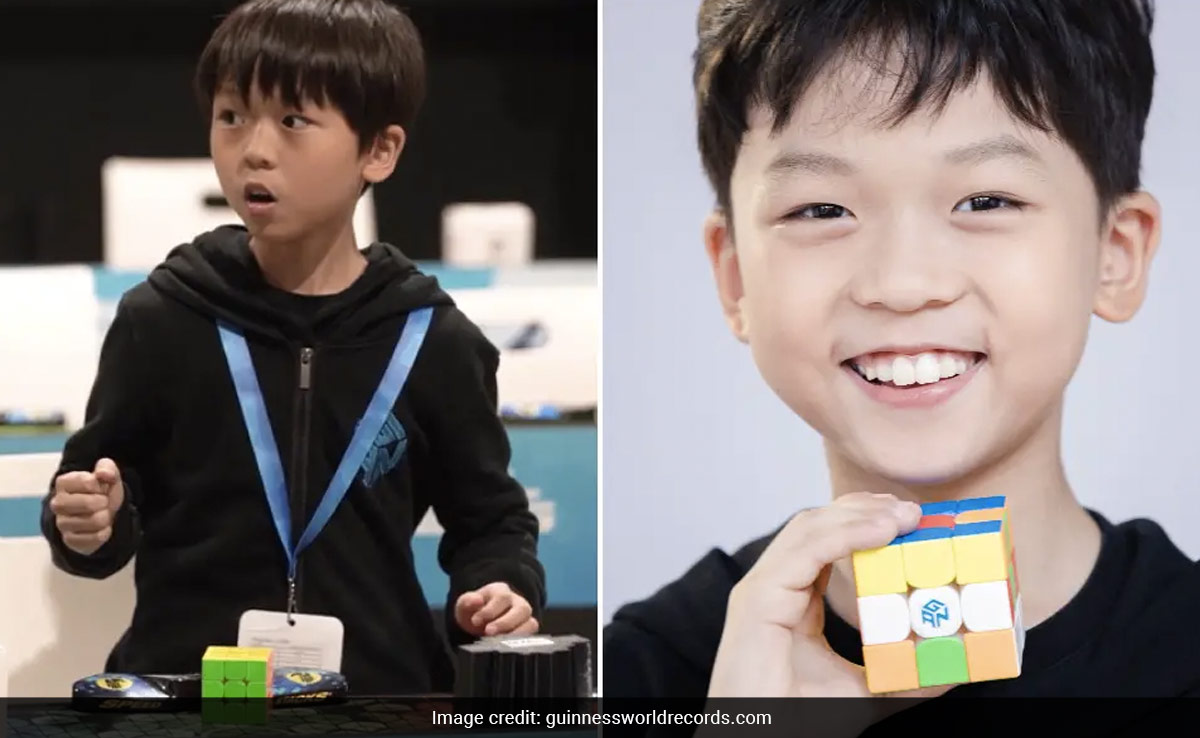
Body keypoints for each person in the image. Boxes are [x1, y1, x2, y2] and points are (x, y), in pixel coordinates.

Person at [605, 0, 1200, 717]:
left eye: (986, 200)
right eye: (821, 210)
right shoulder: (643, 674)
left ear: (1116, 253)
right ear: (734, 277)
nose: (902, 284)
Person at [41, 0, 545, 696]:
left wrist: (500, 587)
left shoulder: (433, 339)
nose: (254, 148)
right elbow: (95, 507)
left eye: (293, 121)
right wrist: (87, 524)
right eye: (231, 116)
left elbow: (490, 519)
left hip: (376, 690)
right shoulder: (161, 319)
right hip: (191, 690)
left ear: (379, 150)